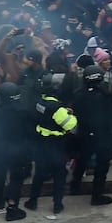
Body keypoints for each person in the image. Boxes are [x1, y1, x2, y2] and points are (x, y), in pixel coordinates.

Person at [25, 74, 78, 214]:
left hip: (41, 143)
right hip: (55, 145)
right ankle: (57, 205)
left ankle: (32, 201)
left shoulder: (40, 102)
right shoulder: (57, 107)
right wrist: (70, 115)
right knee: (59, 175)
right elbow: (70, 125)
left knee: (39, 174)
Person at [70, 65, 112, 205]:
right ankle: (97, 196)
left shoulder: (78, 93)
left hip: (83, 134)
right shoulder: (105, 95)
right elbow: (111, 115)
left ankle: (74, 186)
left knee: (82, 161)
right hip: (102, 135)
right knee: (101, 166)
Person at [0, 82, 31, 221]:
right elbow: (28, 131)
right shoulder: (23, 111)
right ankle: (12, 208)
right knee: (16, 178)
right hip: (18, 149)